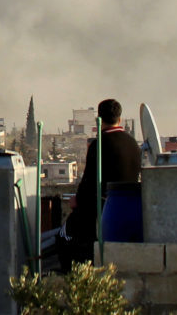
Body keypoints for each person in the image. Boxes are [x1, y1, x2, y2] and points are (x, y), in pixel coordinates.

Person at [59, 98, 142, 269]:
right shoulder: (133, 143)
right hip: (132, 208)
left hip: (103, 209)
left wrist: (77, 201)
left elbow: (89, 182)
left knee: (64, 238)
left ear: (99, 119)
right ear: (120, 118)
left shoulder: (99, 144)